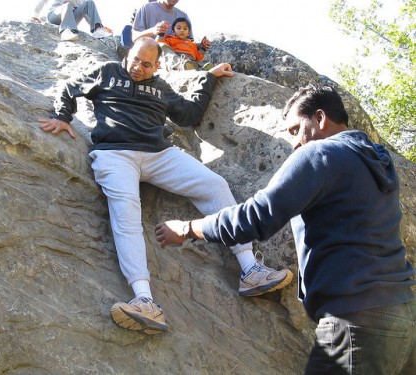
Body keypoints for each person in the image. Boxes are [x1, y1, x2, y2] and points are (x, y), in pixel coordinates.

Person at [39, 37, 292, 335]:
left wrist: (208, 78)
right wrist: (62, 117)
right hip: (115, 154)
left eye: (146, 64)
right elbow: (70, 88)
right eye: (134, 59)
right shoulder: (106, 72)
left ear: (157, 65)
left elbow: (189, 114)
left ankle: (250, 268)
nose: (137, 67)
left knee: (214, 185)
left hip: (159, 154)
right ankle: (144, 299)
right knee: (126, 213)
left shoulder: (160, 87)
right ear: (128, 55)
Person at [155, 84, 416, 373]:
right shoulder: (376, 158)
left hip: (355, 320)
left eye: (295, 130)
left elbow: (256, 216)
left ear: (319, 118)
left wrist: (188, 227)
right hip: (403, 316)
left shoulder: (321, 154)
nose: (294, 144)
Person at [132, 0, 210, 52]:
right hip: (151, 58)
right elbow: (134, 38)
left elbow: (189, 45)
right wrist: (153, 31)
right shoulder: (146, 8)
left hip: (178, 61)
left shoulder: (183, 16)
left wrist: (201, 46)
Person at [32, 0, 112, 42]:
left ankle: (97, 30)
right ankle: (66, 31)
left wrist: (100, 26)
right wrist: (35, 15)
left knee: (90, 3)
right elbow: (43, 1)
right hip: (55, 15)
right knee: (67, 5)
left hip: (71, 17)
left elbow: (86, 13)